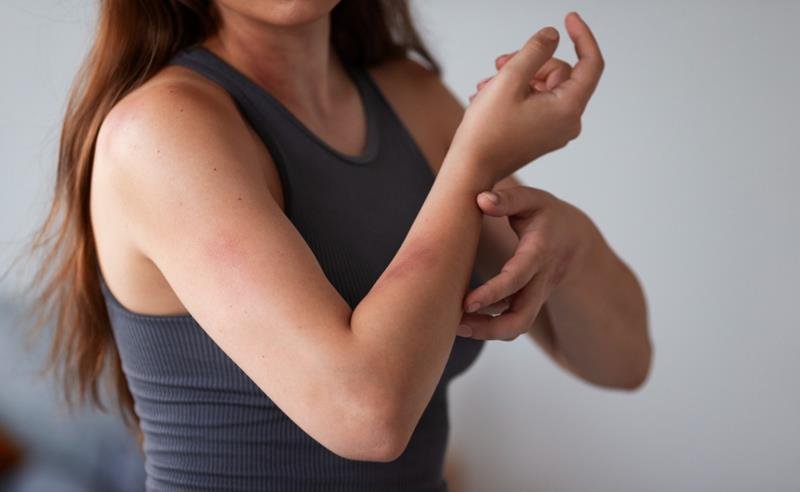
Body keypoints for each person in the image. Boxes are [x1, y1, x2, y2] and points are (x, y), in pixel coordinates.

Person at [25, 1, 652, 490]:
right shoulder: (159, 132)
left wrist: (566, 238)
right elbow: (366, 416)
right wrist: (474, 161)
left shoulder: (411, 98)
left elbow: (623, 361)